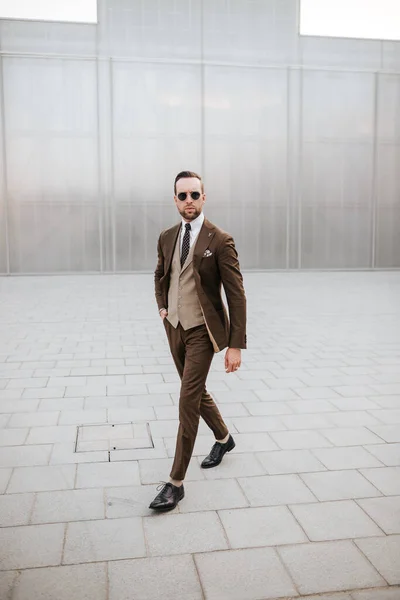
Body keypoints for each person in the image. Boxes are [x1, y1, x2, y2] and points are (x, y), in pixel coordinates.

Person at [149, 170, 247, 511]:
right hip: (174, 327)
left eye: (194, 195)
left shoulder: (220, 239)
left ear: (204, 197)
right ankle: (224, 438)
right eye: (182, 196)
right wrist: (162, 307)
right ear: (174, 200)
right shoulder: (166, 236)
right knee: (195, 389)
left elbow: (236, 295)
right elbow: (162, 273)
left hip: (203, 332)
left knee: (187, 401)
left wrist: (235, 344)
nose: (188, 201)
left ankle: (175, 483)